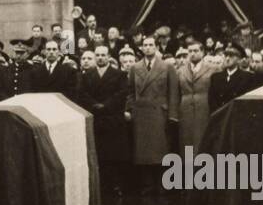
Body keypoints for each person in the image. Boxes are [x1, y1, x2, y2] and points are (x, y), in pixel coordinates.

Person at [126, 35, 179, 194]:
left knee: (161, 149)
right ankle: (147, 185)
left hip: (159, 112)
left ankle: (162, 184)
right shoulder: (135, 68)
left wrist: (172, 115)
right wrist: (130, 109)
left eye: (150, 45)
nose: (147, 47)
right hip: (141, 112)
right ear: (141, 48)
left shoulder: (167, 67)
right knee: (143, 151)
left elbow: (173, 93)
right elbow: (130, 92)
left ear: (156, 47)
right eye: (145, 45)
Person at [78, 44, 129, 195]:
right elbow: (82, 94)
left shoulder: (119, 74)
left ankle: (115, 185)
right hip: (95, 117)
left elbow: (121, 93)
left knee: (114, 155)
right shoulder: (87, 75)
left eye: (103, 55)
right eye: (98, 55)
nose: (100, 58)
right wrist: (94, 105)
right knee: (98, 154)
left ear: (108, 57)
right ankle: (100, 186)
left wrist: (106, 105)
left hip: (112, 118)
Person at [175, 38, 214, 151]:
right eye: (190, 51)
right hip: (185, 111)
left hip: (204, 109)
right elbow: (176, 93)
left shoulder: (212, 70)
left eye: (196, 51)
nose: (192, 54)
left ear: (202, 52)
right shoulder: (180, 71)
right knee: (186, 142)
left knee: (203, 141)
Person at [208, 42, 253, 109]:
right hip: (219, 116)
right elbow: (212, 101)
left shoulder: (247, 78)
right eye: (226, 55)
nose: (227, 58)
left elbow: (246, 103)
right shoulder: (215, 77)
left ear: (239, 59)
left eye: (231, 55)